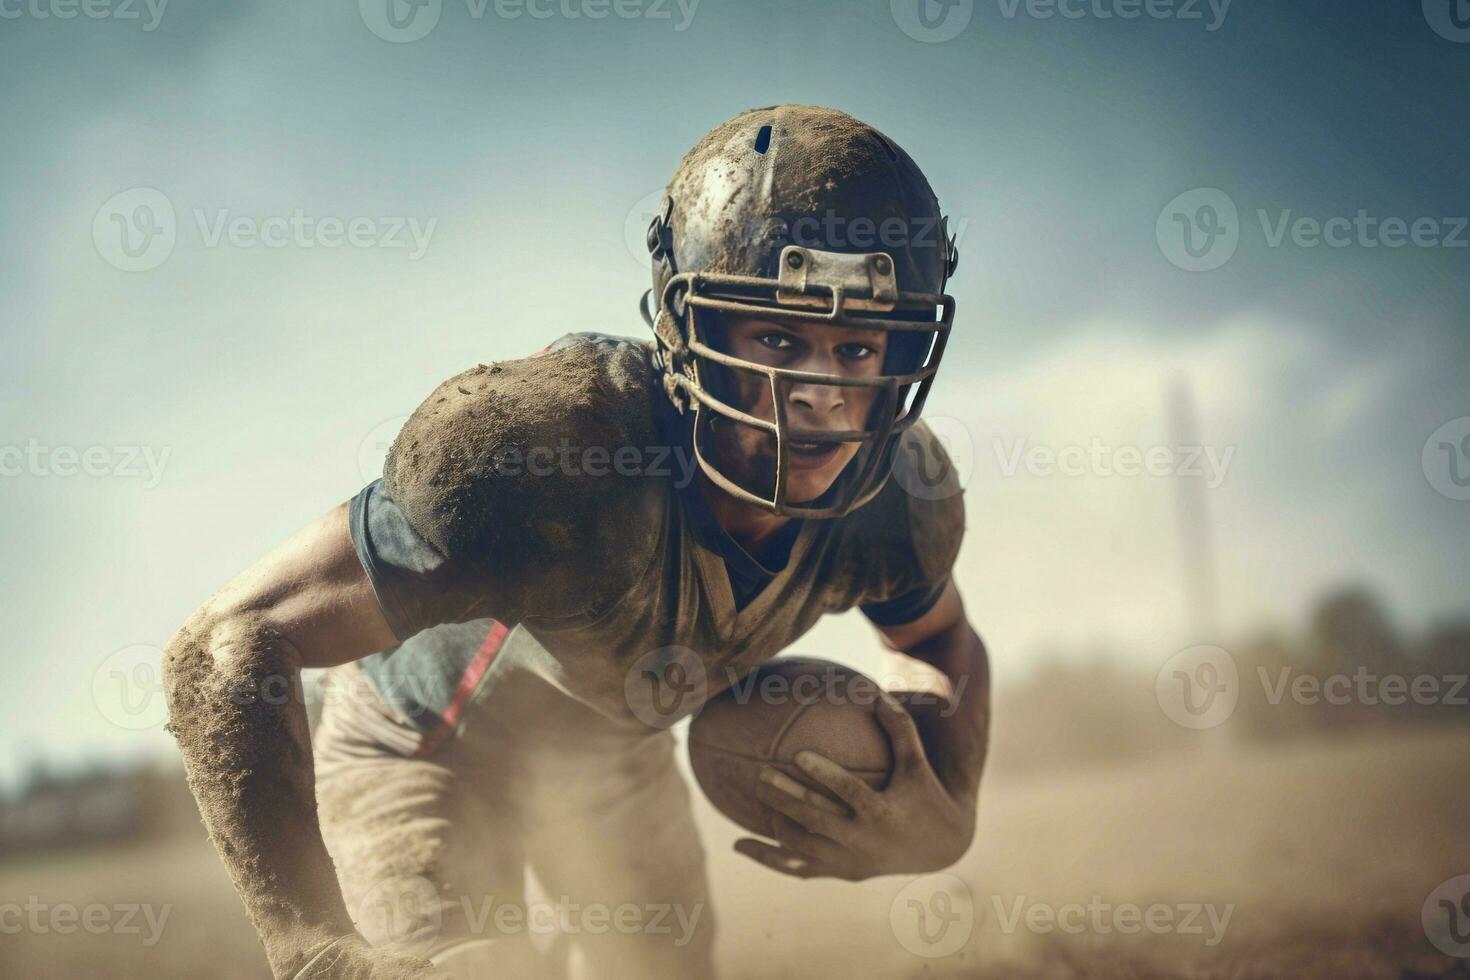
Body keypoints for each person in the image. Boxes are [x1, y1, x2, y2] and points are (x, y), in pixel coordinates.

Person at [163, 104, 990, 979]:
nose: (821, 389)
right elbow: (226, 641)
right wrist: (308, 943)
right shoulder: (553, 450)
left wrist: (951, 805)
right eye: (778, 336)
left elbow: (934, 636)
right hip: (418, 747)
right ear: (691, 333)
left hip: (611, 766)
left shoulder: (897, 501)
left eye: (859, 347)